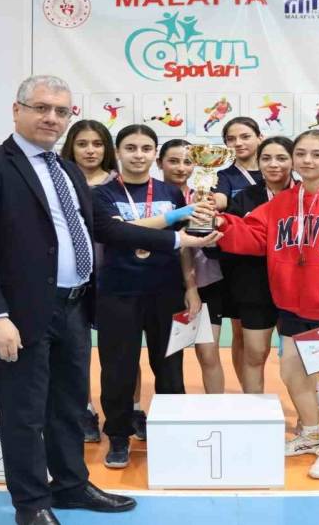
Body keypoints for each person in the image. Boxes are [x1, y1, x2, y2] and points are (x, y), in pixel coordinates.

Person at [0, 75, 219, 525]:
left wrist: (179, 240)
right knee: (23, 411)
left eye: (61, 111)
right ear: (16, 111)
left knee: (69, 404)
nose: (51, 118)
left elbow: (106, 228)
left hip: (74, 306)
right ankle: (31, 504)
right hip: (20, 311)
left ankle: (71, 485)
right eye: (41, 108)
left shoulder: (67, 170)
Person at [216, 129, 319, 480]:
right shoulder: (284, 201)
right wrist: (218, 222)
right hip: (292, 304)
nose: (307, 160)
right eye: (301, 153)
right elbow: (253, 234)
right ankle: (311, 433)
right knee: (291, 372)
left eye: (317, 154)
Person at [93, 125, 208, 469]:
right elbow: (116, 233)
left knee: (170, 367)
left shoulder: (171, 192)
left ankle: (173, 431)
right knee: (118, 369)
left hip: (166, 290)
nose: (138, 155)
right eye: (131, 148)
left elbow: (185, 244)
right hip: (119, 292)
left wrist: (191, 288)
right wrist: (173, 219)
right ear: (118, 152)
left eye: (146, 148)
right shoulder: (102, 194)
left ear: (154, 154)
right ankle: (118, 435)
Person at [59, 120, 122, 443]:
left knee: (121, 351)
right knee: (75, 348)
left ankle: (129, 409)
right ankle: (82, 409)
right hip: (73, 276)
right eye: (82, 143)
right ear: (71, 146)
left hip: (114, 275)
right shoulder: (60, 181)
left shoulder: (118, 183)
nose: (90, 150)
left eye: (97, 144)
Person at [225, 137, 296, 393]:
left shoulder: (308, 196)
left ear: (294, 161)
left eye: (281, 158)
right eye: (266, 158)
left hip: (297, 288)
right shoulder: (245, 197)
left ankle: (314, 407)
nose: (273, 164)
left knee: (300, 357)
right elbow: (233, 239)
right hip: (256, 286)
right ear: (258, 162)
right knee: (255, 354)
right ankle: (253, 410)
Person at [158, 139, 226, 395]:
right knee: (166, 357)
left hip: (206, 283)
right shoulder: (152, 197)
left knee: (208, 353)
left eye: (188, 162)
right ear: (159, 163)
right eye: (173, 161)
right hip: (163, 285)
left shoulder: (205, 196)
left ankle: (216, 411)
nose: (181, 168)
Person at [214, 117, 265, 392]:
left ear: (259, 137)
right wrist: (210, 200)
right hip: (240, 265)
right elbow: (221, 200)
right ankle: (249, 392)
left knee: (294, 332)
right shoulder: (224, 176)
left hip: (278, 262)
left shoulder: (277, 169)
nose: (238, 143)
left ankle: (314, 395)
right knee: (241, 332)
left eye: (245, 136)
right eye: (231, 139)